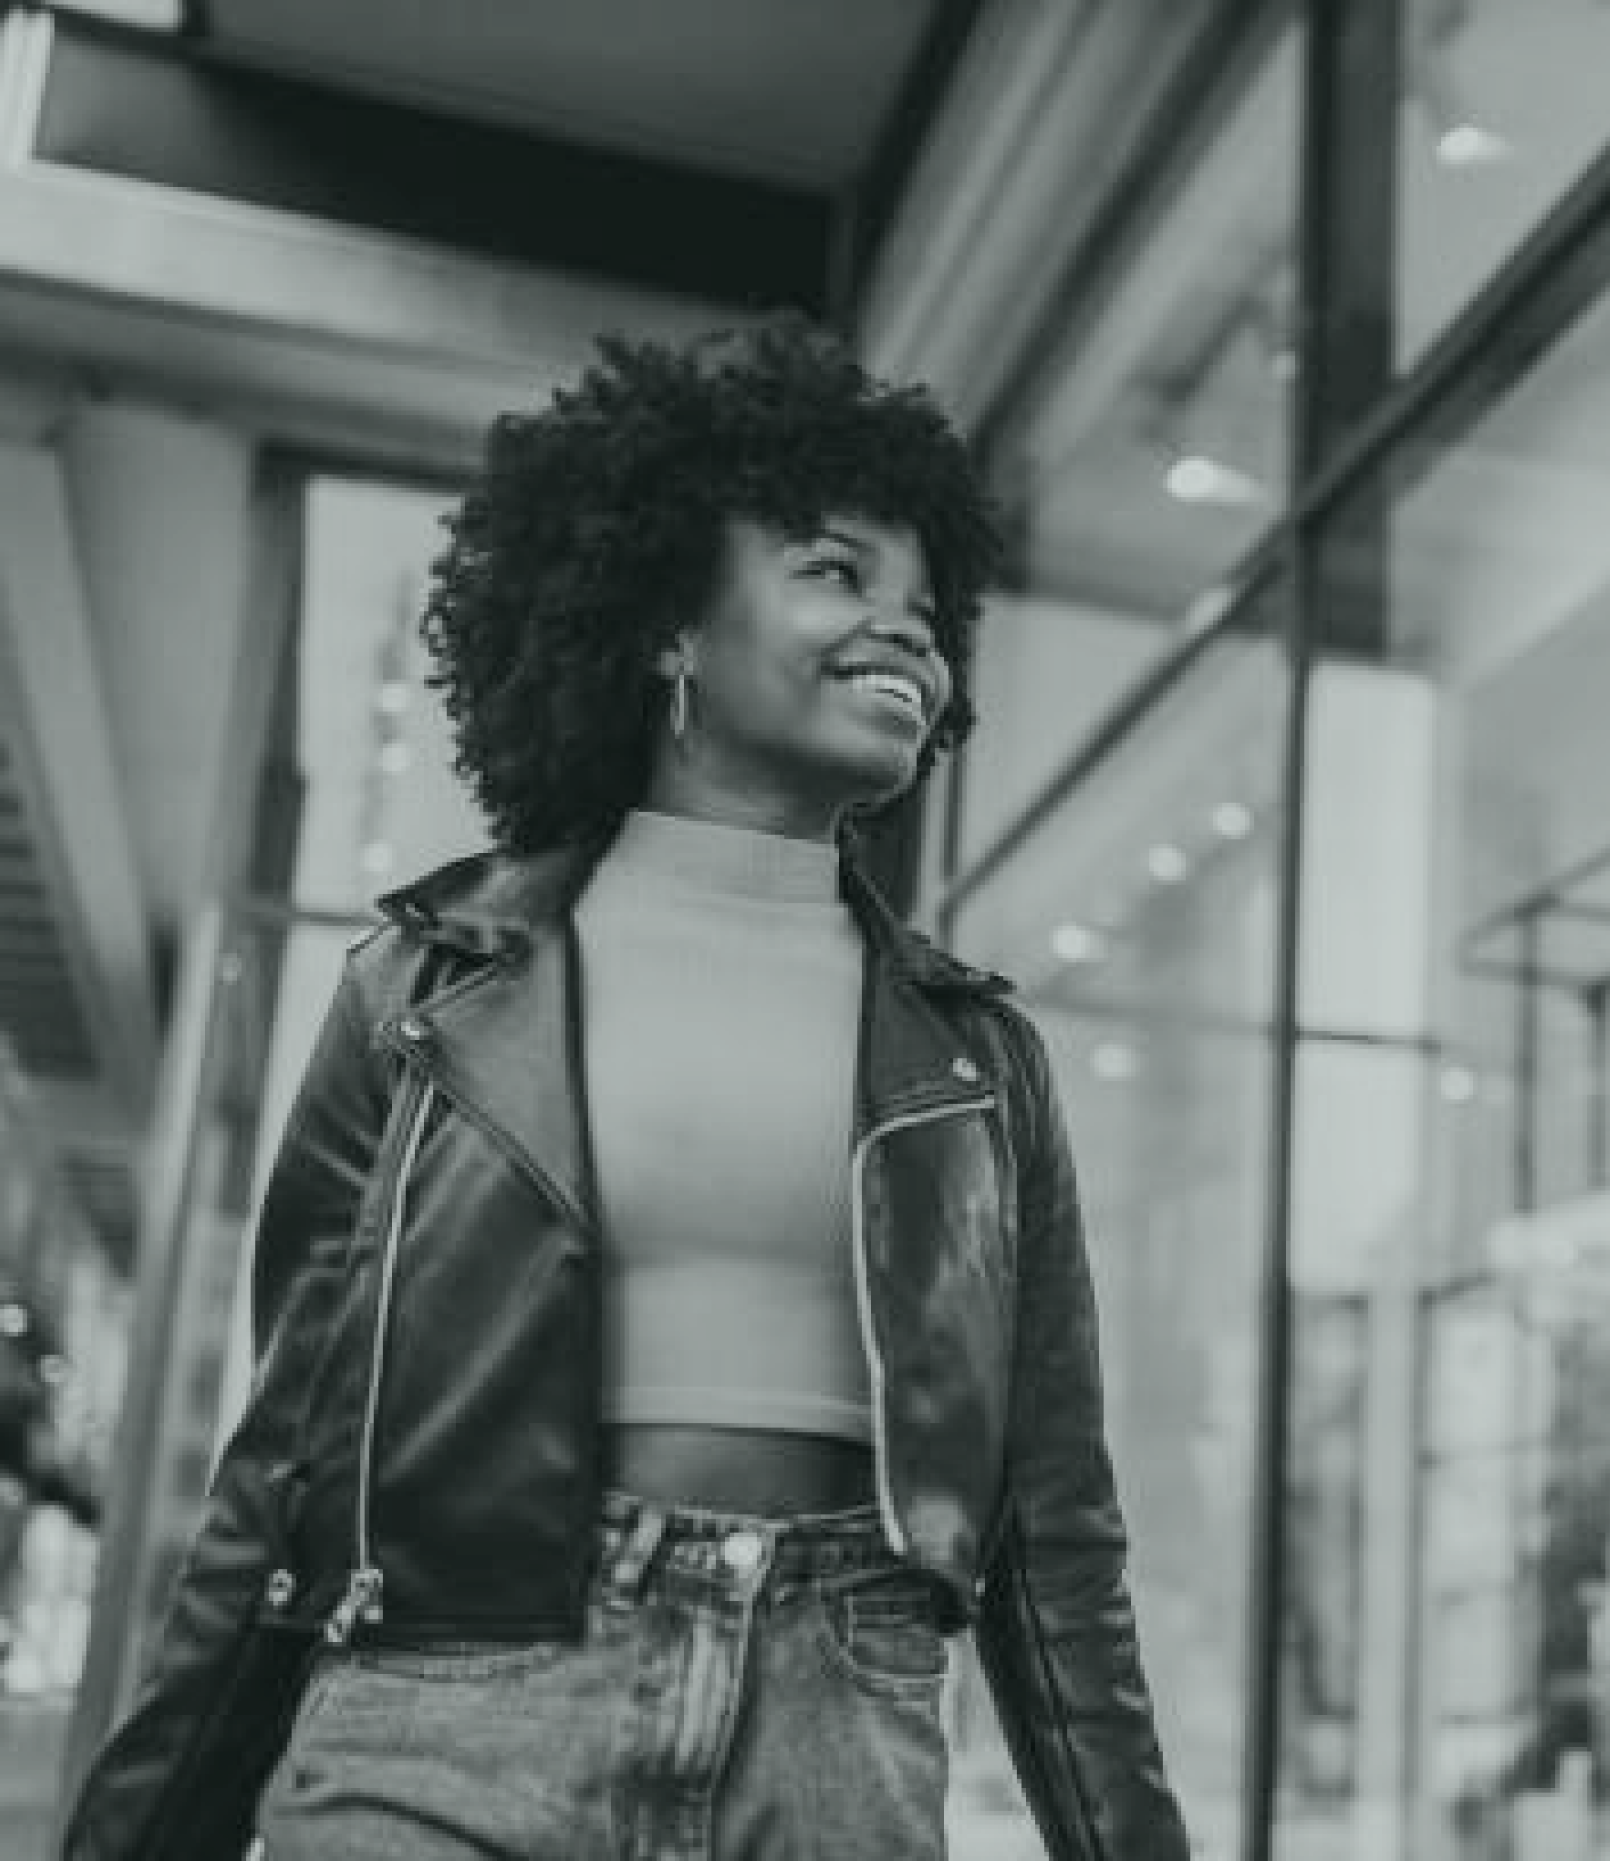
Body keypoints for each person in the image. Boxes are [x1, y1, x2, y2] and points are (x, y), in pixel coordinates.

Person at [61, 321, 1188, 1860]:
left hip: (838, 1723)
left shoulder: (980, 1062)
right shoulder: (424, 993)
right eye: (836, 574)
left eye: (929, 610)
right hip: (456, 1699)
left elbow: (1053, 1534)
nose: (908, 634)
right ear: (667, 621)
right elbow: (291, 1468)